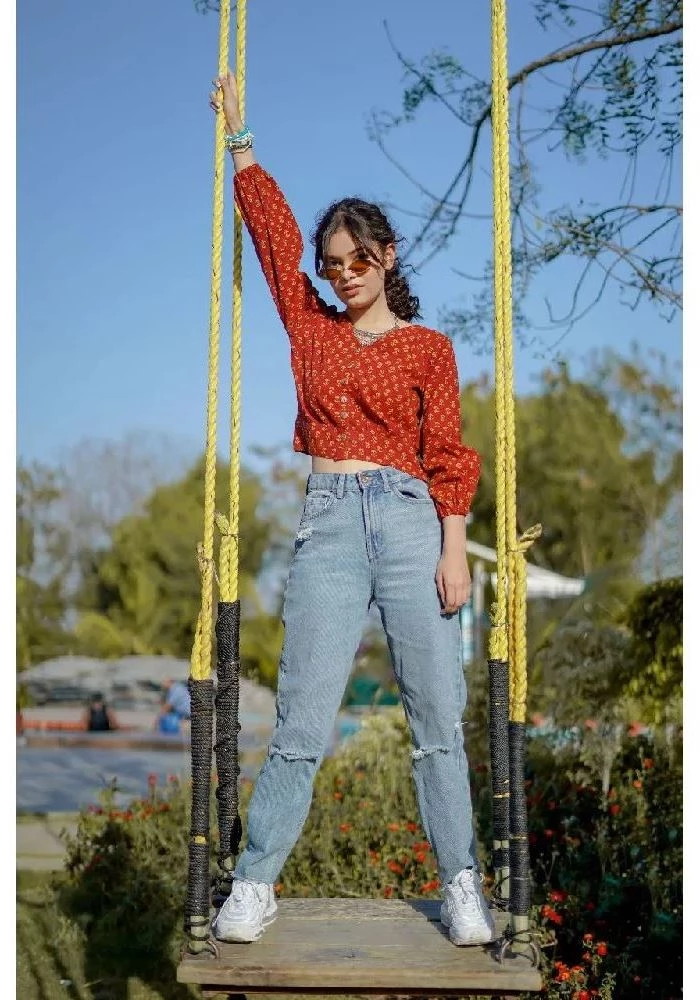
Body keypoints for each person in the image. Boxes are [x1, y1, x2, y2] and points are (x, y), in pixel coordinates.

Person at [207, 70, 495, 949]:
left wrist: (454, 548)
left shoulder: (427, 348)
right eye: (333, 264)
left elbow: (448, 456)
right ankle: (256, 882)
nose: (343, 274)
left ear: (388, 258)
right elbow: (273, 239)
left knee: (437, 719)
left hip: (413, 523)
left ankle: (461, 885)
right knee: (301, 719)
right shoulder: (312, 328)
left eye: (358, 261)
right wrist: (242, 146)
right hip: (331, 521)